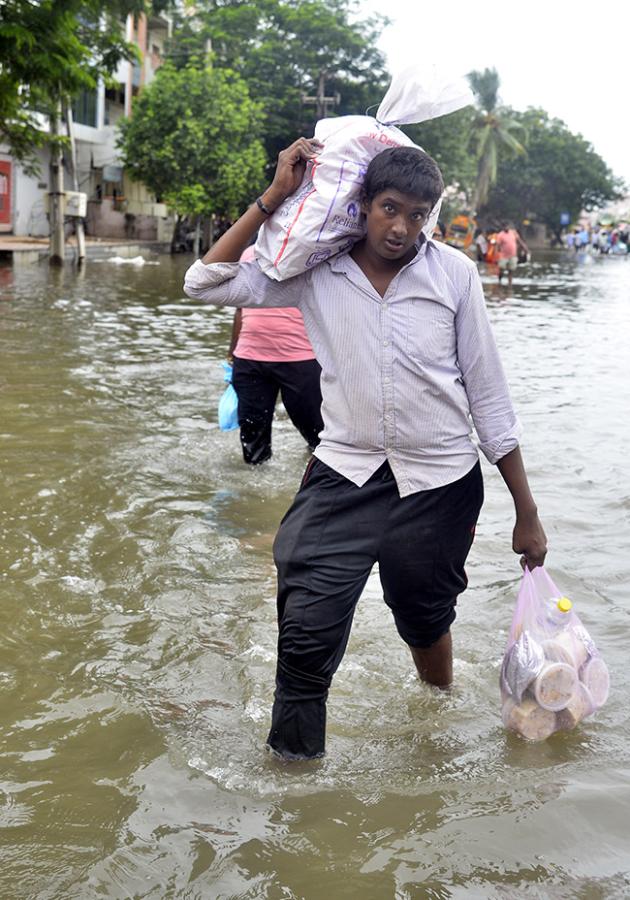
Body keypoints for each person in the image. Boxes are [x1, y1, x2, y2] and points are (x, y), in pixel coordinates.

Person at [184, 138, 547, 761]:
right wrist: (274, 196)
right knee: (305, 625)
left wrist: (527, 509)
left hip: (439, 482)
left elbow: (488, 395)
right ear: (363, 205)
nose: (401, 227)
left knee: (423, 615)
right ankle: (293, 777)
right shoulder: (316, 271)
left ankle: (433, 715)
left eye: (417, 214)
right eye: (389, 208)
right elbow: (204, 283)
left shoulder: (453, 274)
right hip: (344, 472)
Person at [227, 245, 323, 464]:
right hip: (250, 358)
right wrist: (231, 356)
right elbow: (241, 307)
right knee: (253, 448)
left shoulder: (312, 250)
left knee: (318, 436)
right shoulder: (250, 253)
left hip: (301, 358)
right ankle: (252, 495)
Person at [495, 222, 529, 287]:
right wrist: (496, 256)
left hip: (513, 255)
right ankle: (499, 281)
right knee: (501, 269)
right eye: (505, 227)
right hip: (503, 255)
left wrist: (525, 248)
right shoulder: (500, 235)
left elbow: (519, 241)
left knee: (511, 270)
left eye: (507, 226)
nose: (506, 228)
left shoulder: (513, 233)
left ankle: (509, 284)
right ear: (503, 227)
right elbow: (497, 246)